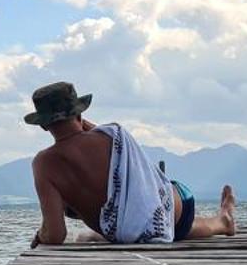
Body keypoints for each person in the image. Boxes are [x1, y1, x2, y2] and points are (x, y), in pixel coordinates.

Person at [22, 81, 236, 247]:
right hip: (175, 207)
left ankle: (222, 222)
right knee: (165, 224)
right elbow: (111, 145)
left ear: (42, 126)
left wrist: (40, 235)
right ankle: (223, 221)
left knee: (142, 225)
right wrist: (85, 124)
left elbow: (55, 234)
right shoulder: (113, 133)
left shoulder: (44, 164)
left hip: (136, 227)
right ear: (80, 114)